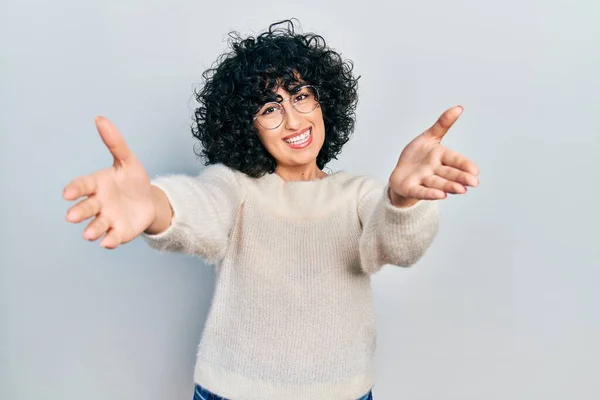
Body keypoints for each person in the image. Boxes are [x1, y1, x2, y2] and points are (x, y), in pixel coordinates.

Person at [63, 19, 479, 400]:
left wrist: (403, 199)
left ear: (323, 103)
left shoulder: (358, 194)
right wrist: (153, 206)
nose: (294, 120)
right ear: (248, 126)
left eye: (300, 97)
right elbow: (202, 211)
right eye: (269, 108)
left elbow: (395, 244)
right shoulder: (238, 188)